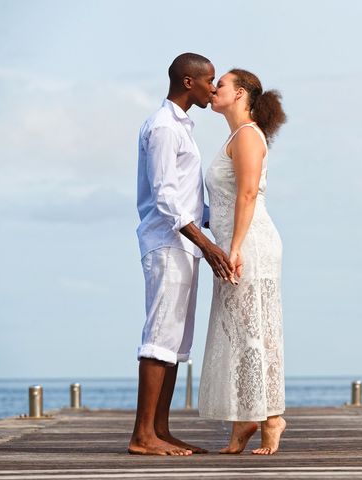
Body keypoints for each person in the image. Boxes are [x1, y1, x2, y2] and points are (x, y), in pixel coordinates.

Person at [129, 53, 233, 456]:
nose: (213, 87)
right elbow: (166, 198)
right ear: (188, 82)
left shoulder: (183, 128)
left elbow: (191, 203)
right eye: (209, 81)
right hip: (167, 244)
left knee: (174, 342)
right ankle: (141, 436)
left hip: (184, 244)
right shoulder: (163, 127)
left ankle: (159, 430)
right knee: (159, 337)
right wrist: (207, 246)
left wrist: (223, 219)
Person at [198, 69, 287, 455]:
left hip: (250, 243)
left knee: (253, 332)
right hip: (234, 241)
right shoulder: (235, 136)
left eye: (221, 84)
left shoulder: (249, 135)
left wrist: (233, 247)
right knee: (237, 332)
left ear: (240, 94)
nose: (214, 89)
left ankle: (270, 419)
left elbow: (247, 194)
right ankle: (244, 420)